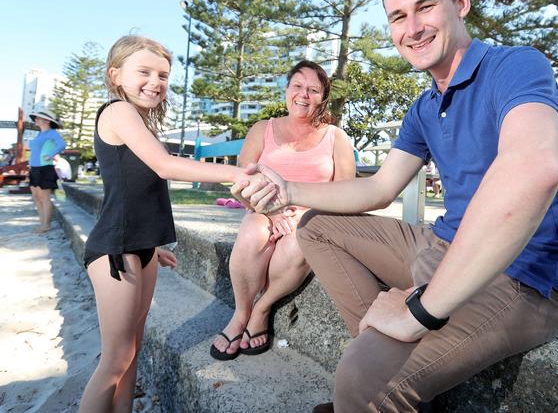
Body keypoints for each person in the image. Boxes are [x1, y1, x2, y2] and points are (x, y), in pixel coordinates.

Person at [234, 0, 558, 413]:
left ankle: (377, 376)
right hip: (442, 246)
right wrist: (288, 190)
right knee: (315, 225)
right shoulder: (424, 106)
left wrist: (419, 312)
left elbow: (536, 169)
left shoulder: (515, 66)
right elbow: (378, 188)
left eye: (425, 6)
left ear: (460, 2)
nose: (412, 28)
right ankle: (381, 346)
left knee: (361, 383)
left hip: (520, 277)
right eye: (398, 16)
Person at [79, 35, 271, 413]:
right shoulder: (117, 112)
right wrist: (236, 172)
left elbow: (140, 190)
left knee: (132, 353)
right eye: (144, 72)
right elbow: (165, 167)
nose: (156, 82)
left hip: (142, 248)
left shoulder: (139, 123)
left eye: (164, 75)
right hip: (115, 249)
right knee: (115, 360)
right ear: (115, 75)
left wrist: (155, 245)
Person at [210, 60, 356, 361]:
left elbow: (347, 192)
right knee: (251, 232)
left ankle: (262, 308)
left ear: (323, 97)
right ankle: (241, 314)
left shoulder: (336, 137)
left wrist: (304, 215)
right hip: (264, 210)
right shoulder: (263, 128)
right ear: (287, 90)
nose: (304, 95)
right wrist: (271, 212)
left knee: (296, 245)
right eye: (298, 86)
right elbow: (243, 178)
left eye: (314, 90)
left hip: (313, 218)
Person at [27, 109, 66, 233]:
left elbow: (62, 144)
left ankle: (46, 225)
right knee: (36, 198)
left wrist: (50, 155)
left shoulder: (52, 133)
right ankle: (42, 224)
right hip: (34, 169)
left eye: (38, 118)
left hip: (45, 169)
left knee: (44, 198)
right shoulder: (39, 134)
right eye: (36, 118)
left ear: (47, 121)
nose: (35, 120)